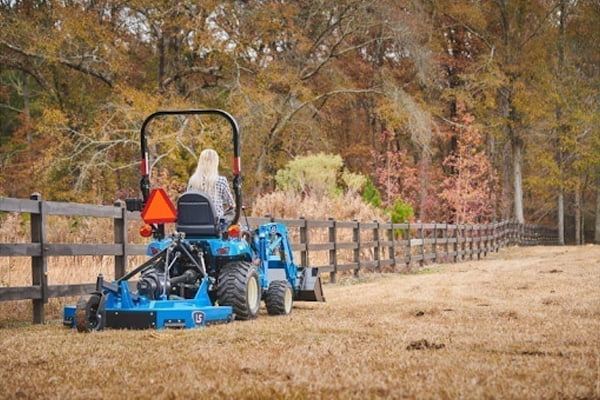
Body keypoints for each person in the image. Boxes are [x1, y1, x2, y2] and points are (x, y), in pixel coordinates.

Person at [187, 149, 234, 220]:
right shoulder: (221, 181)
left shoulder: (192, 180)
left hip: (194, 221)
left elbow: (188, 201)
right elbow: (231, 204)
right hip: (214, 224)